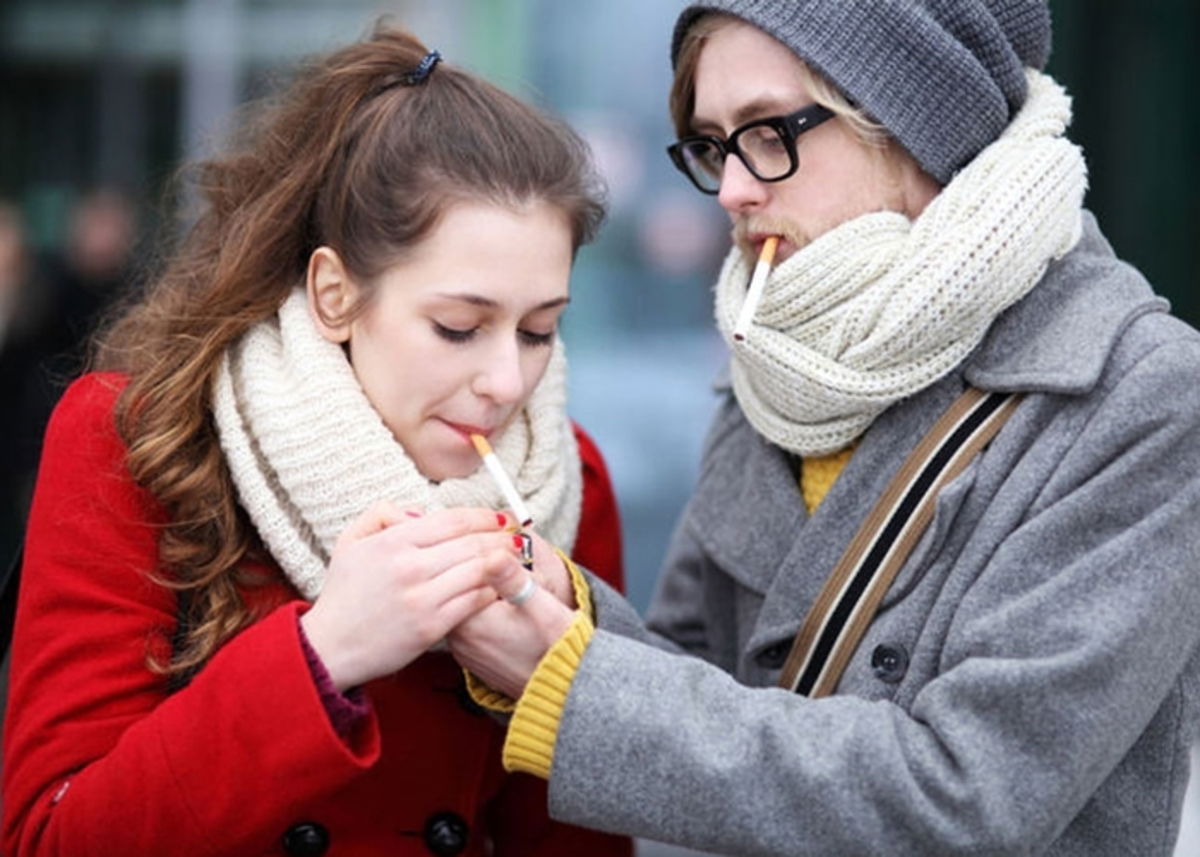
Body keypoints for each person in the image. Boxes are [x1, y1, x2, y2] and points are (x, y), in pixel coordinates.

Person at [449, 2, 1200, 855]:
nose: (733, 187)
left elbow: (973, 797)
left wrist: (578, 685)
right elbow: (703, 676)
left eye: (769, 132)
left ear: (916, 126)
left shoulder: (1140, 392)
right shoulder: (788, 357)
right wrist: (564, 618)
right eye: (712, 144)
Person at [1, 25, 633, 857]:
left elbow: (568, 844)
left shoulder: (563, 476)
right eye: (458, 327)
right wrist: (325, 649)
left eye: (539, 330)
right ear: (335, 296)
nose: (508, 384)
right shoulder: (139, 439)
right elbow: (53, 836)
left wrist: (567, 680)